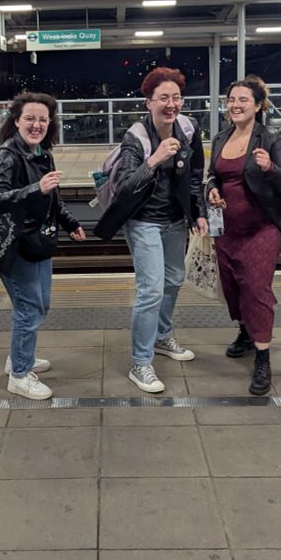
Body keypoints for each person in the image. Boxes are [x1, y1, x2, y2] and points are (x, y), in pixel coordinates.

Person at [95, 67, 208, 393]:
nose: (171, 104)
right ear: (149, 103)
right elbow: (126, 185)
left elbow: (195, 174)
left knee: (174, 280)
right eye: (163, 98)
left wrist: (198, 213)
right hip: (143, 220)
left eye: (176, 97)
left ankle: (162, 336)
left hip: (175, 220)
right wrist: (155, 159)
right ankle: (140, 363)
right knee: (151, 290)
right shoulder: (137, 138)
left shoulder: (188, 128)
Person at [0, 92, 86, 400]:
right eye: (30, 118)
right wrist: (35, 189)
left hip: (38, 241)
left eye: (43, 119)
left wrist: (69, 222)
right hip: (16, 244)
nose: (37, 125)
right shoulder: (7, 155)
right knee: (29, 309)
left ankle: (19, 357)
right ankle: (19, 375)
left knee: (39, 305)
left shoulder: (42, 152)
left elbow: (53, 197)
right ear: (16, 121)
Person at [206, 76, 281, 395]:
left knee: (257, 288)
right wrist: (212, 190)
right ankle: (246, 332)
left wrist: (270, 168)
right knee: (233, 287)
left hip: (262, 228)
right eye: (232, 99)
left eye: (243, 99)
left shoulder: (272, 140)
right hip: (226, 230)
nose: (236, 104)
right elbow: (213, 175)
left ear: (258, 105)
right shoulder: (221, 138)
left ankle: (262, 356)